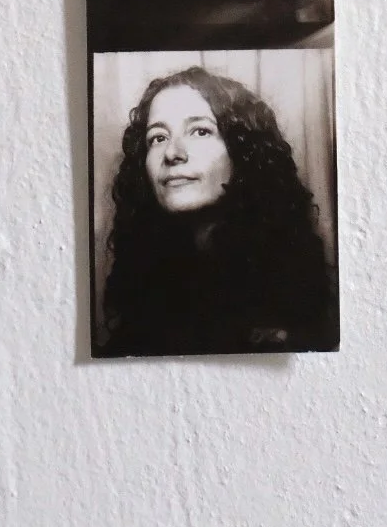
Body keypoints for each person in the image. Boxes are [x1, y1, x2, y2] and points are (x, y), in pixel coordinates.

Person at [99, 67, 337, 356]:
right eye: (158, 138)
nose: (172, 153)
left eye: (200, 131)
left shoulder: (286, 296)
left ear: (242, 150)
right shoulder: (146, 281)